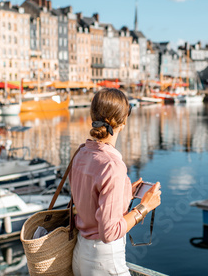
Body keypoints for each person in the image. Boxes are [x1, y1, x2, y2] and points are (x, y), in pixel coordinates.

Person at [69, 88, 161, 276]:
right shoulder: (112, 166)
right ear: (124, 121)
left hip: (80, 255)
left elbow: (90, 199)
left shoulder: (81, 153)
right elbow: (109, 232)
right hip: (104, 259)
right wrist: (144, 207)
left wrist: (125, 191)